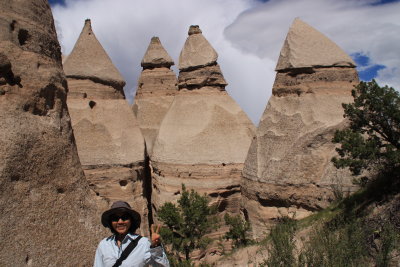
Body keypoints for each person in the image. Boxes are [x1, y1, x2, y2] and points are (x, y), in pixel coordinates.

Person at [94, 201, 169, 267]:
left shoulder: (143, 243)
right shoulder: (104, 245)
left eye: (125, 217)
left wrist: (156, 247)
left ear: (131, 220)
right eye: (115, 218)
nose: (120, 222)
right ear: (111, 222)